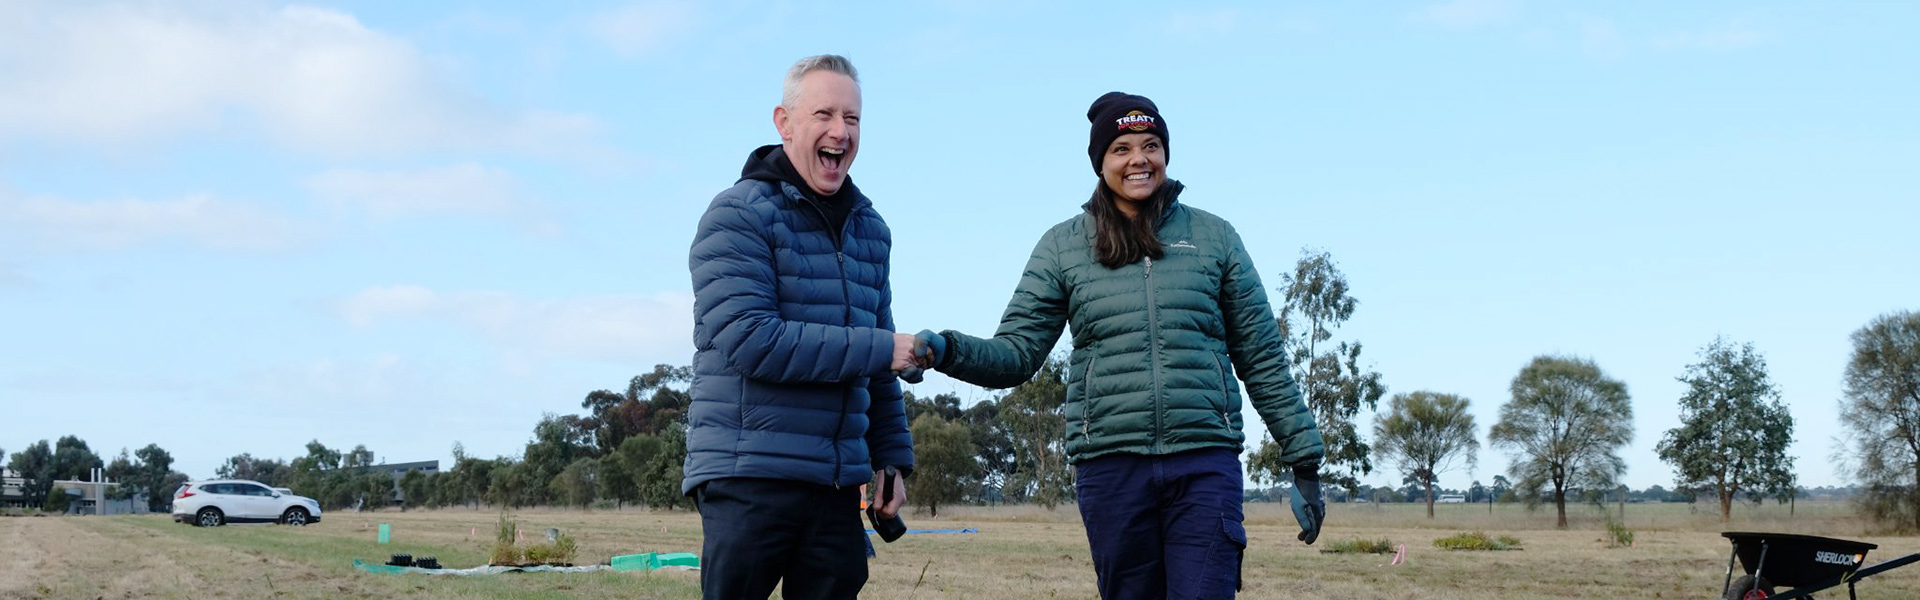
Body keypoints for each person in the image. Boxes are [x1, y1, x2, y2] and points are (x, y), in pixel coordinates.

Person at [907, 92, 1325, 600]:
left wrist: (1303, 458)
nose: (1139, 160)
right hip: (1111, 467)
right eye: (1121, 148)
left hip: (1204, 462)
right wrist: (947, 350)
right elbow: (1017, 353)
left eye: (1151, 145)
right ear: (1100, 162)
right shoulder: (1063, 245)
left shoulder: (1216, 238)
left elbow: (1262, 357)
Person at [684, 54, 914, 600]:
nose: (841, 131)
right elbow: (753, 342)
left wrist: (891, 459)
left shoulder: (870, 230)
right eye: (825, 115)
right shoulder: (736, 215)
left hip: (835, 484)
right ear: (784, 124)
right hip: (749, 476)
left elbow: (879, 361)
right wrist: (883, 350)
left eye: (853, 119)